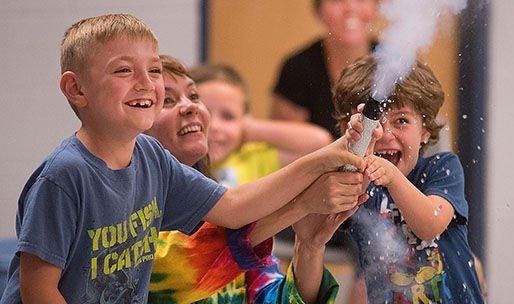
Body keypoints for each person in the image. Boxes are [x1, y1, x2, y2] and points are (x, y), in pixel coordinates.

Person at [0, 14, 369, 304]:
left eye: (154, 70)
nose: (146, 83)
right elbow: (38, 291)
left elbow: (235, 209)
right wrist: (307, 195)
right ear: (76, 89)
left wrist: (324, 164)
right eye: (124, 70)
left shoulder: (151, 159)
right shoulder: (66, 176)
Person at [146, 55, 370, 303]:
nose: (192, 107)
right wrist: (303, 203)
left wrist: (309, 247)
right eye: (167, 100)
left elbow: (275, 298)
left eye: (194, 96)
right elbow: (189, 262)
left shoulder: (223, 197)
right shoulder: (133, 214)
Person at [335, 55, 485, 303]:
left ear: (425, 131)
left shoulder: (442, 167)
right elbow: (325, 221)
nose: (384, 134)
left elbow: (430, 224)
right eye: (373, 123)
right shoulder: (355, 185)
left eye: (401, 121)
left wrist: (392, 177)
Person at [189, 63, 333, 187]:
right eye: (203, 113)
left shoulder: (253, 157)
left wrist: (250, 129)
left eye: (228, 116)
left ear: (245, 119)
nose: (214, 126)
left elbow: (319, 142)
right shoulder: (177, 161)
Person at [272, 0, 378, 139]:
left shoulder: (395, 63)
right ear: (318, 11)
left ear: (376, 7)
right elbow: (285, 144)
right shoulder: (298, 68)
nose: (350, 7)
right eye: (337, 1)